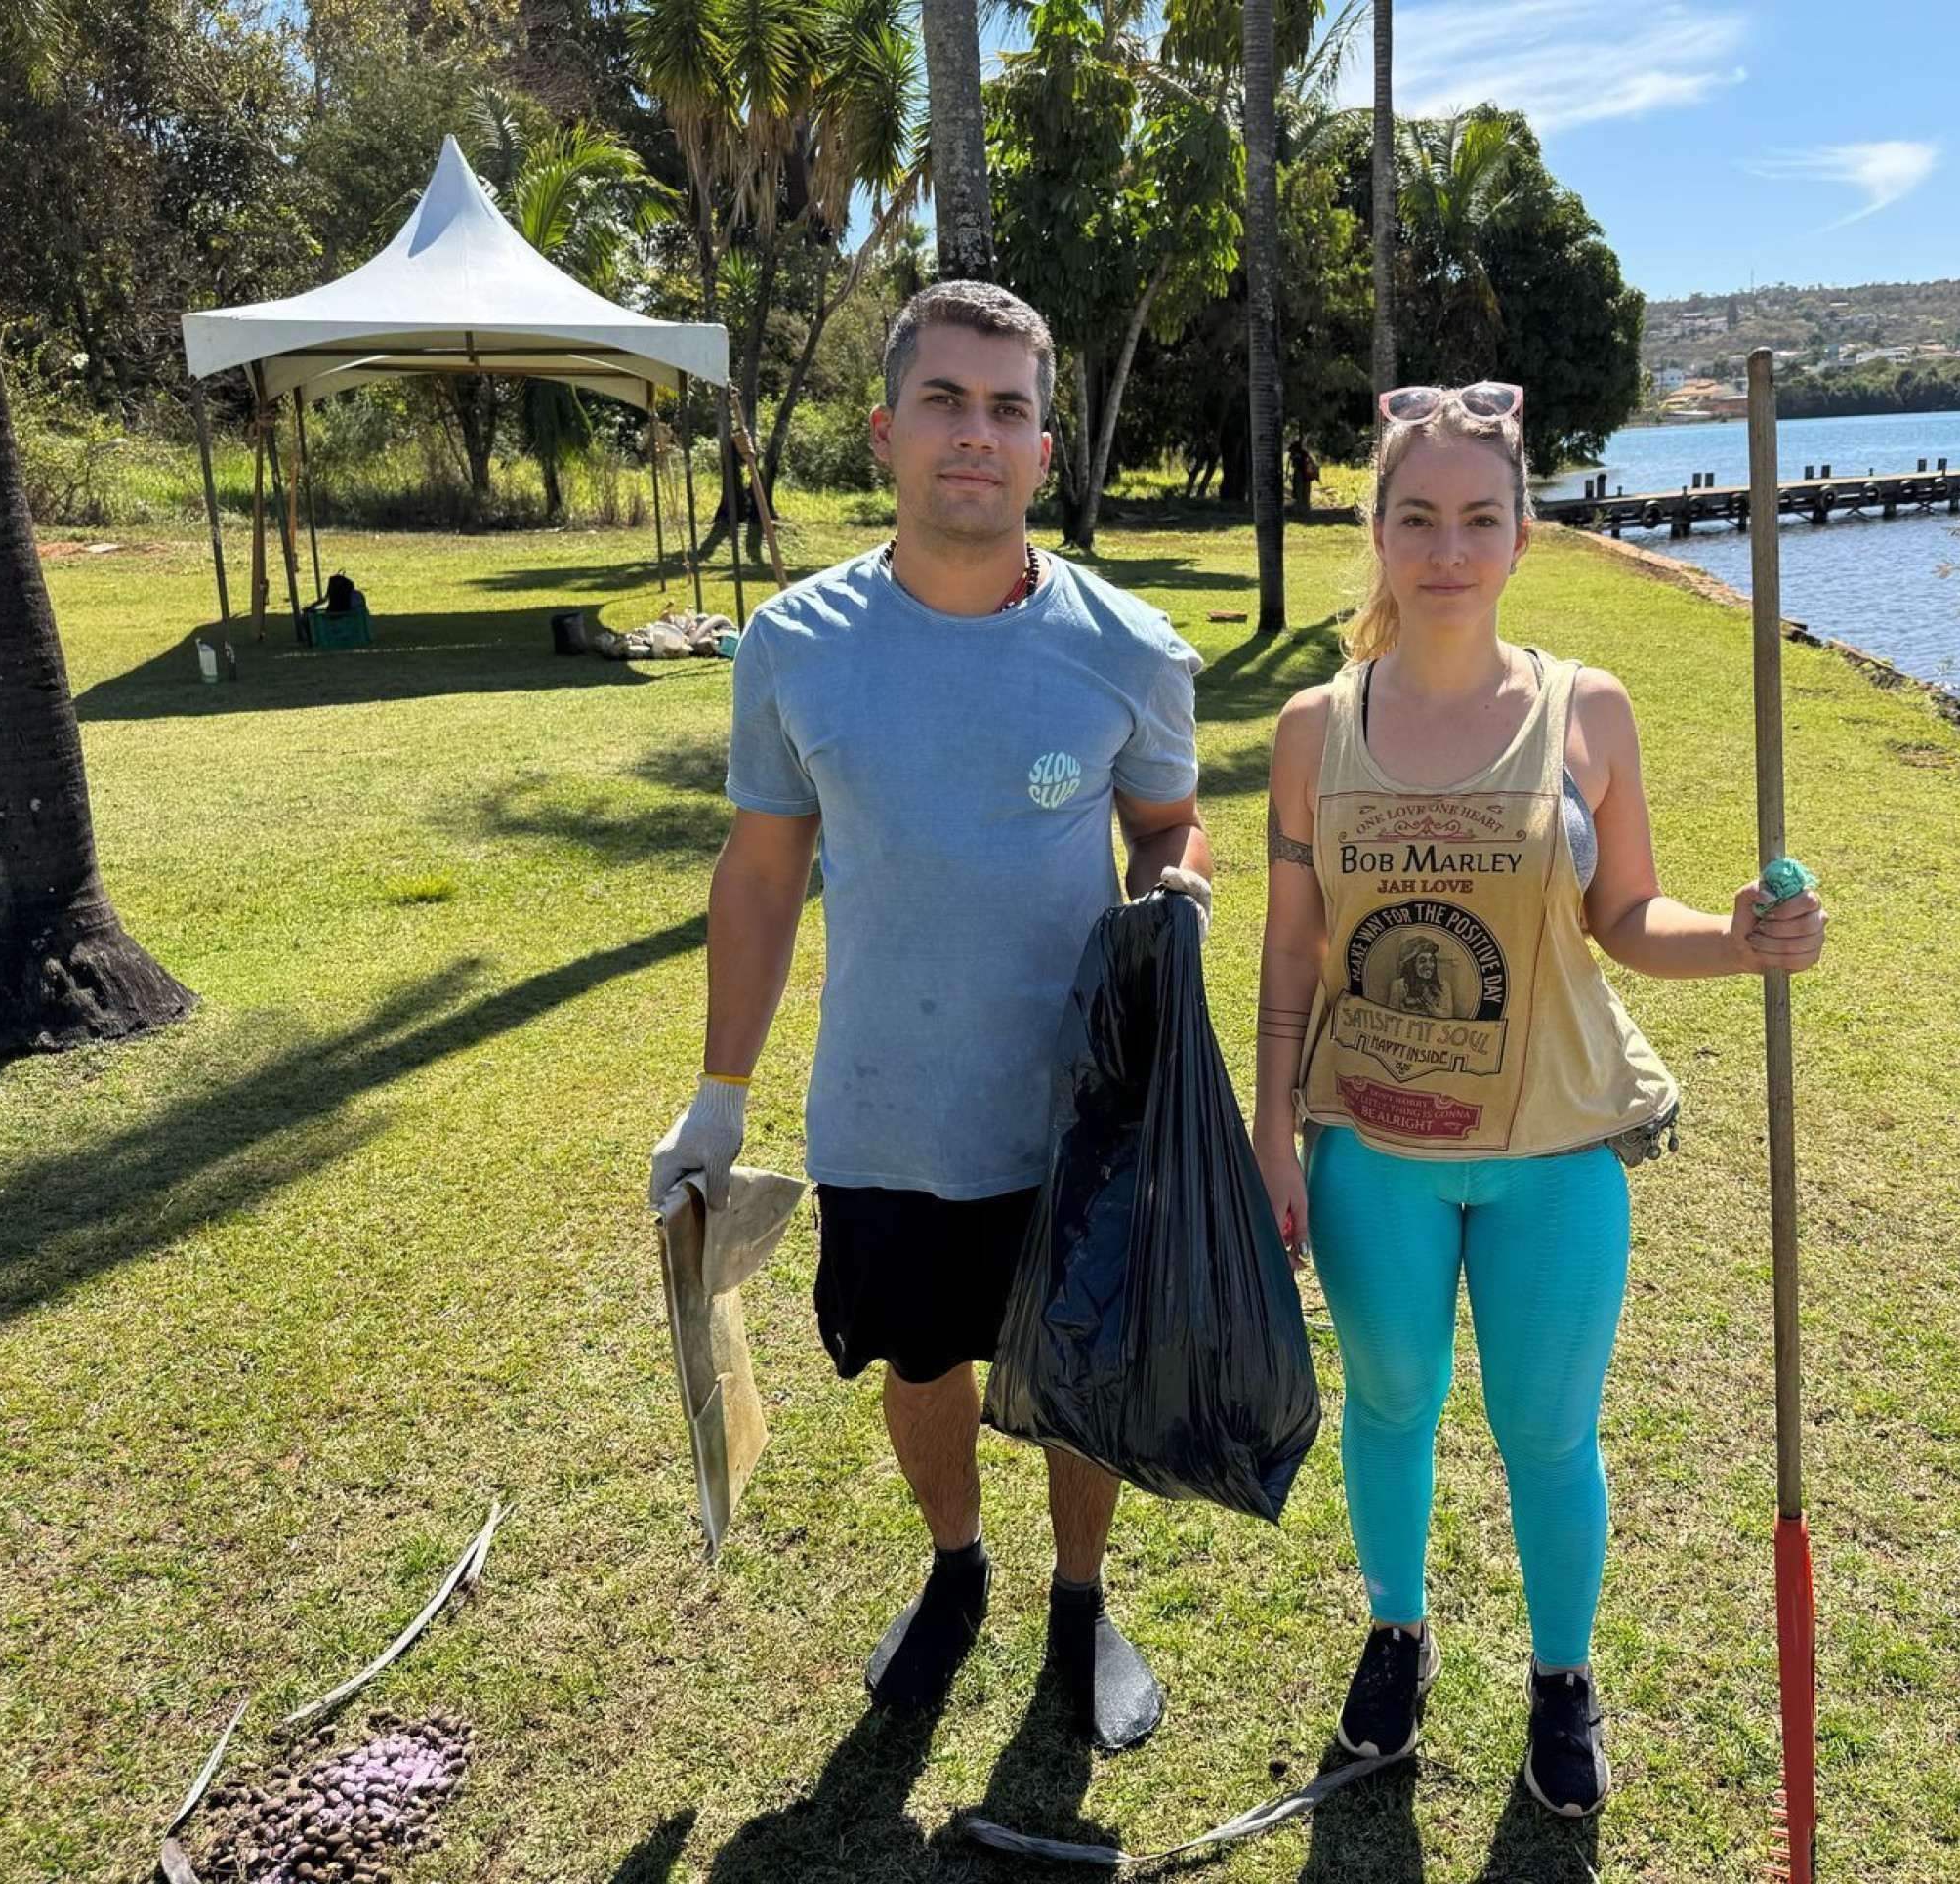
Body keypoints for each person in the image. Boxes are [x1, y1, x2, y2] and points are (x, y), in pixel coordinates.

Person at [1249, 381, 1826, 1816]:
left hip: (1559, 1145)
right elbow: (1291, 952)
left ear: (1523, 536)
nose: (1447, 547)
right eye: (1417, 517)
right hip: (1370, 1149)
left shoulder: (1590, 712)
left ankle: (1561, 1682)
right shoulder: (1317, 728)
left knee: (1548, 1431)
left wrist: (1740, 935)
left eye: (1479, 518)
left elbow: (1628, 914)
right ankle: (1398, 1632)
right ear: (1376, 532)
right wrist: (1272, 1127)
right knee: (1390, 1404)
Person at [650, 281, 1214, 1751]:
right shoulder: (793, 644)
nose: (980, 433)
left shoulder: (1132, 648)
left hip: (1076, 1112)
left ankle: (1080, 1607)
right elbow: (766, 868)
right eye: (949, 402)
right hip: (886, 1105)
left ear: (1045, 450)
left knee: (1081, 1374)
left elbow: (1168, 823)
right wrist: (720, 1092)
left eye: (1010, 408)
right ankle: (957, 1573)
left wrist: (1176, 895)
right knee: (921, 1362)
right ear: (888, 428)